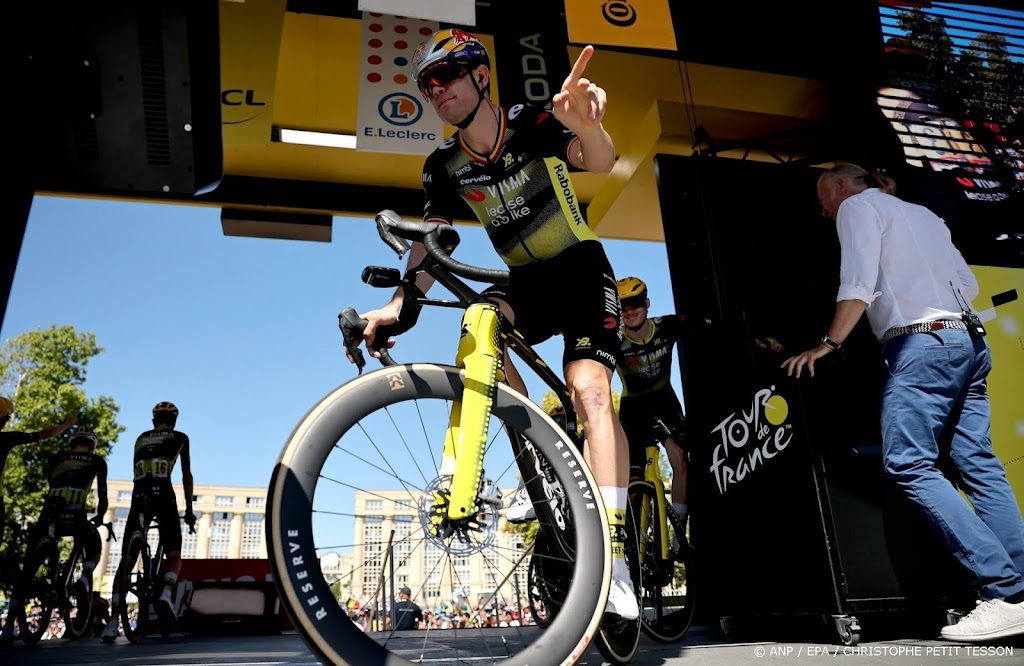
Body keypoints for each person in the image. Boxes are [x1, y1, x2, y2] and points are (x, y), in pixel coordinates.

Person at [350, 29, 637, 621]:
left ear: (480, 77)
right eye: (427, 84)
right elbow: (432, 245)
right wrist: (397, 307)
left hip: (580, 269)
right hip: (526, 284)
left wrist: (584, 125)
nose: (436, 91)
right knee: (480, 318)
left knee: (589, 389)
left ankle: (614, 554)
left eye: (447, 76)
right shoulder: (443, 166)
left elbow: (599, 161)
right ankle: (538, 447)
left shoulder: (533, 121)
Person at [781, 162, 1024, 642]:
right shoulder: (925, 214)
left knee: (908, 465)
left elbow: (858, 281)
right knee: (979, 465)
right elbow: (968, 285)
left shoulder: (856, 207)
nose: (824, 211)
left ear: (841, 185)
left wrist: (828, 345)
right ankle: (1021, 591)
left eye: (822, 199)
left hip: (922, 344)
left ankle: (1003, 591)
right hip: (968, 340)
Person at [1, 426, 106, 643]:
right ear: (92, 444)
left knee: (28, 568)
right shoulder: (97, 462)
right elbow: (102, 496)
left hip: (49, 515)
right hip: (76, 516)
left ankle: (9, 625)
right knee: (94, 544)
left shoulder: (55, 458)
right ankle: (84, 577)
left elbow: (52, 483)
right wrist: (101, 515)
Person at [102, 401, 196, 642]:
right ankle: (165, 593)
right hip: (163, 494)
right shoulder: (180, 437)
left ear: (154, 419)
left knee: (127, 560)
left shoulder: (141, 438)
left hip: (139, 496)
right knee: (174, 554)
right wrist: (190, 509)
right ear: (174, 419)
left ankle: (113, 622)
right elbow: (186, 474)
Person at [614, 277, 690, 528]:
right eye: (622, 306)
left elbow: (709, 324)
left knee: (680, 459)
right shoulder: (613, 341)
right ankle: (636, 547)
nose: (630, 311)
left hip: (665, 403)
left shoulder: (667, 326)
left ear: (647, 303)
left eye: (635, 303)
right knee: (634, 487)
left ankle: (679, 524)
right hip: (633, 410)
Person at [0, 397, 77, 531]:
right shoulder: (6, 439)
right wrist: (66, 425)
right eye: (6, 418)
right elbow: (45, 433)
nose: (6, 422)